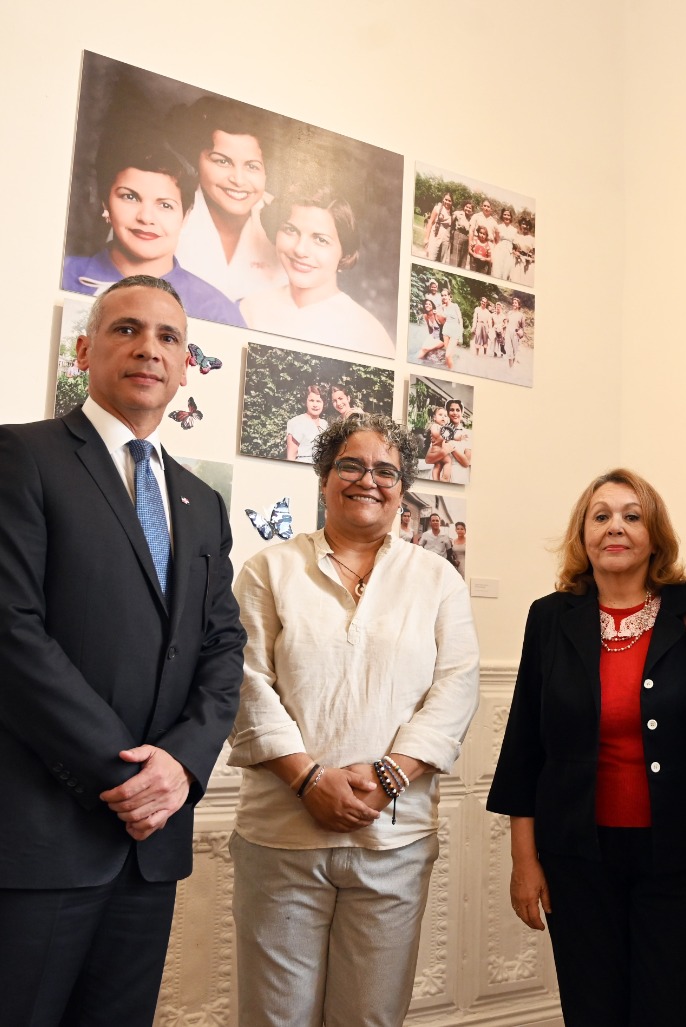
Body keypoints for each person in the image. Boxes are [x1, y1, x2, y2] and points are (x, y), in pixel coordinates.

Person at [0, 276, 246, 1025]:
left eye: (167, 337)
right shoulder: (16, 456)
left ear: (187, 364)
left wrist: (182, 767)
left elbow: (223, 646)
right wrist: (126, 777)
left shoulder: (200, 501)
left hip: (149, 847)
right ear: (84, 348)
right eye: (126, 329)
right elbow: (0, 634)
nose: (148, 349)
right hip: (31, 835)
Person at [226, 412, 480, 1027]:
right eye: (351, 464)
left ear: (402, 489)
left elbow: (457, 685)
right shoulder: (269, 569)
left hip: (393, 838)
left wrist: (391, 773)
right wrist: (310, 781)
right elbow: (244, 682)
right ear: (323, 477)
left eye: (387, 470)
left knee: (370, 1018)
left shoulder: (437, 579)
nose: (369, 479)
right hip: (281, 836)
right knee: (273, 1018)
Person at [489, 469, 686, 1026]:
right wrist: (524, 860)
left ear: (654, 534)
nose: (617, 527)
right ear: (582, 535)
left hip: (683, 855)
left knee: (671, 1009)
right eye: (602, 516)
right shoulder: (549, 617)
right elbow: (524, 746)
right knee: (592, 1011)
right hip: (576, 857)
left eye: (633, 516)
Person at [62, 143, 245, 326]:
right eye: (130, 197)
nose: (146, 218)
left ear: (186, 215)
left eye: (165, 205)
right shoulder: (63, 274)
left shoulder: (217, 311)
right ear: (105, 204)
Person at [239, 183, 395, 358]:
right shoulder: (250, 308)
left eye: (321, 240)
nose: (300, 250)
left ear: (345, 253)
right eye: (290, 230)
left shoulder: (368, 336)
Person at [172, 97, 286, 302]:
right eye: (222, 161)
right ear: (195, 160)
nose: (238, 180)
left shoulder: (289, 222)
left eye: (252, 166)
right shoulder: (165, 207)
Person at [285, 384, 329, 464]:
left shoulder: (325, 424)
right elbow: (291, 457)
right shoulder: (296, 422)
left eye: (318, 401)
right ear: (306, 402)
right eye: (311, 400)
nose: (315, 405)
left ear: (323, 403)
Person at [441, 397, 473, 484]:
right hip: (443, 474)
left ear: (461, 412)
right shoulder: (441, 431)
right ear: (447, 412)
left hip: (460, 476)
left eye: (458, 410)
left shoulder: (468, 434)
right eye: (451, 410)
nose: (455, 413)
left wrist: (451, 446)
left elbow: (466, 462)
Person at [423, 193, 454, 262]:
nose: (447, 202)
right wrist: (426, 238)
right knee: (431, 257)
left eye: (450, 201)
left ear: (452, 202)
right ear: (443, 199)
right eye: (446, 199)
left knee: (441, 260)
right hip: (435, 235)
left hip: (445, 239)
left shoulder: (452, 213)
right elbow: (430, 222)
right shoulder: (437, 208)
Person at [510, 215, 536, 287]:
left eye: (527, 225)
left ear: (529, 227)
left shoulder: (532, 239)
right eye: (523, 224)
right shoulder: (517, 237)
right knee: (516, 279)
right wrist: (515, 253)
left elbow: (534, 254)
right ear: (520, 225)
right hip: (518, 262)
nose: (525, 226)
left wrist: (531, 258)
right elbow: (513, 250)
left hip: (528, 264)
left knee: (526, 281)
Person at [451, 201, 473, 270]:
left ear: (472, 210)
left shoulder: (471, 219)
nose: (468, 209)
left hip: (466, 239)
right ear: (464, 207)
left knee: (463, 261)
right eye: (467, 207)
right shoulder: (458, 213)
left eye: (470, 208)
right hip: (458, 235)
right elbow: (451, 223)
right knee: (455, 259)